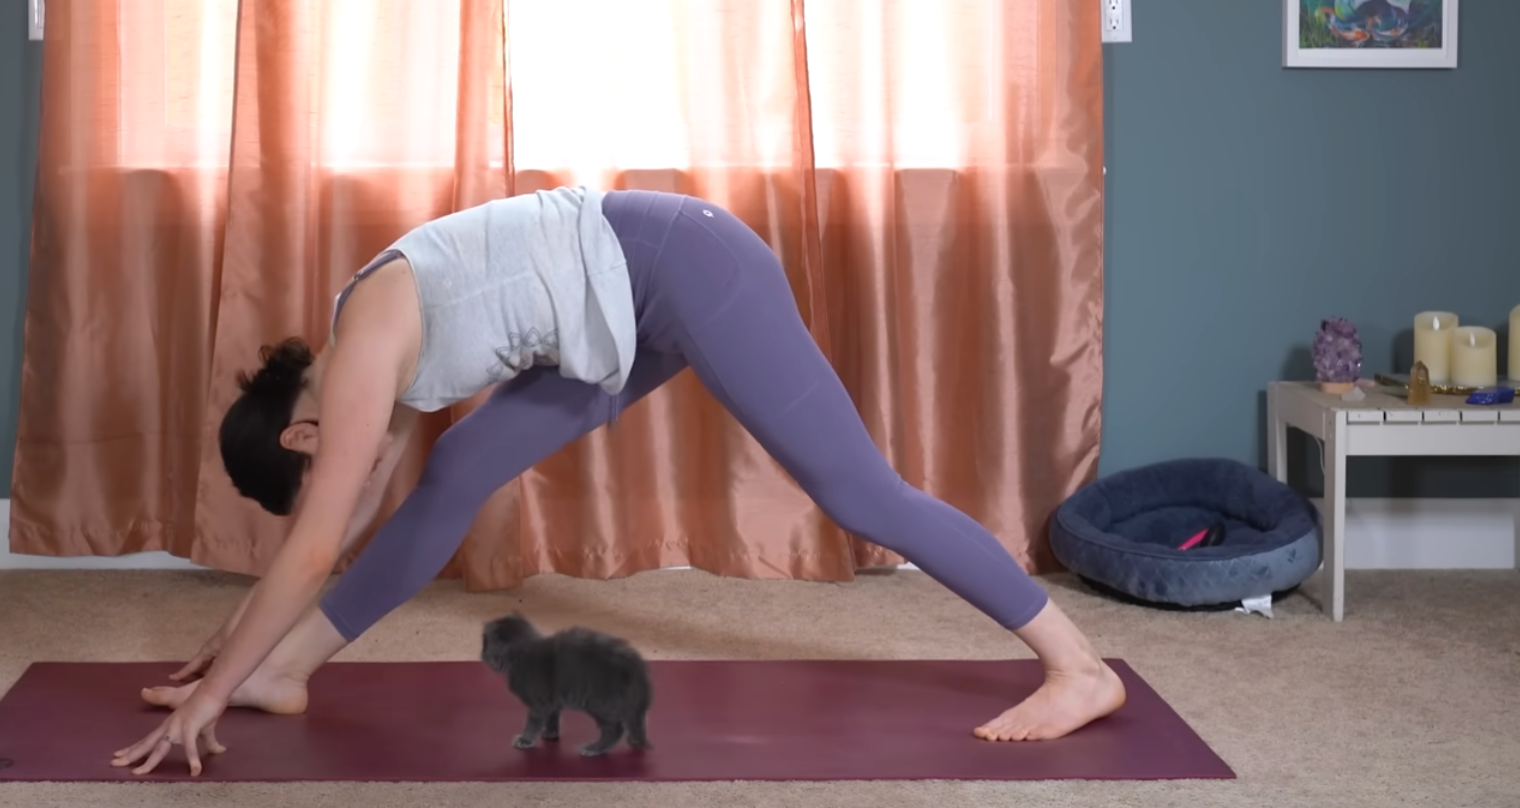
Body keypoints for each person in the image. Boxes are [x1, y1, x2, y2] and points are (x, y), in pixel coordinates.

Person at [112, 187, 1124, 776]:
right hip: (620, 307)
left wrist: (209, 694)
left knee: (860, 496)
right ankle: (298, 672)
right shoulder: (363, 353)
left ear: (298, 436)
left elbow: (318, 544)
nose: (328, 466)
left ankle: (1078, 664)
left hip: (687, 266)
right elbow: (367, 502)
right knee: (460, 466)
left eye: (308, 466)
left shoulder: (368, 341)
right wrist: (244, 659)